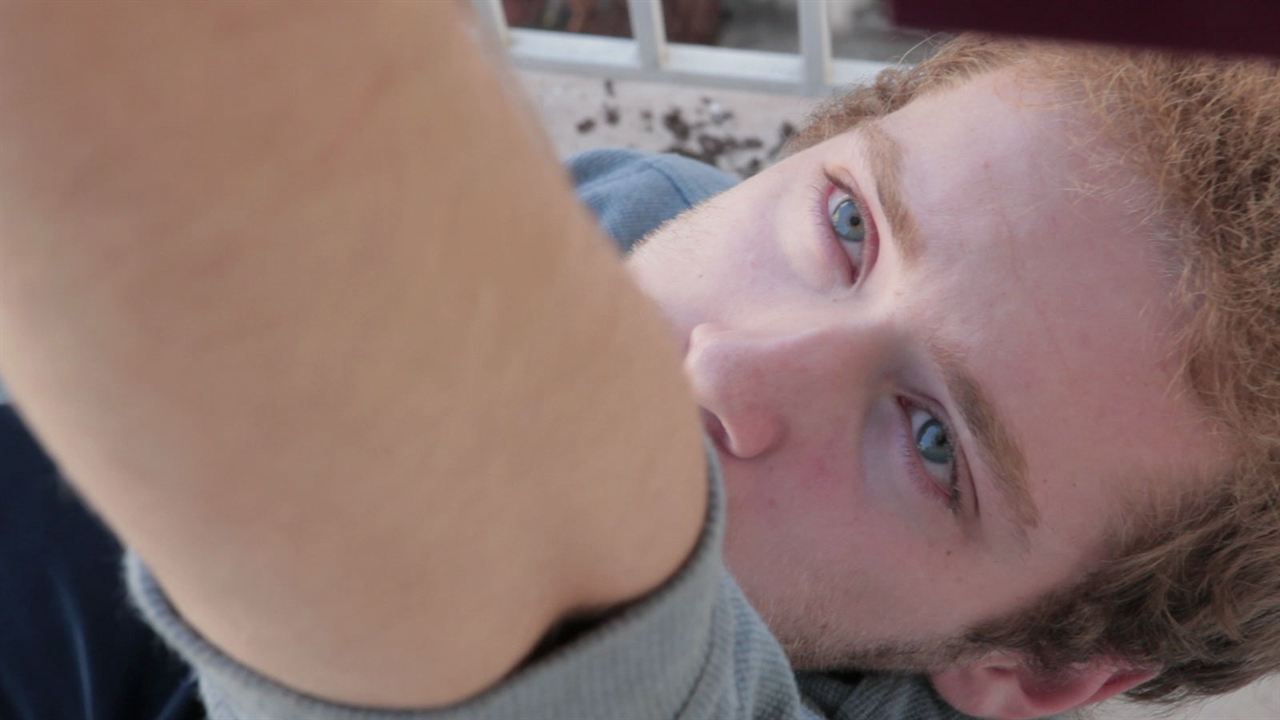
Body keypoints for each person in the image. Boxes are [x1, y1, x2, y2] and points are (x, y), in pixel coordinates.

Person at [1, 4, 1279, 720]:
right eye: (849, 224)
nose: (728, 363)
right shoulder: (657, 199)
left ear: (1029, 673)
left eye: (929, 438)